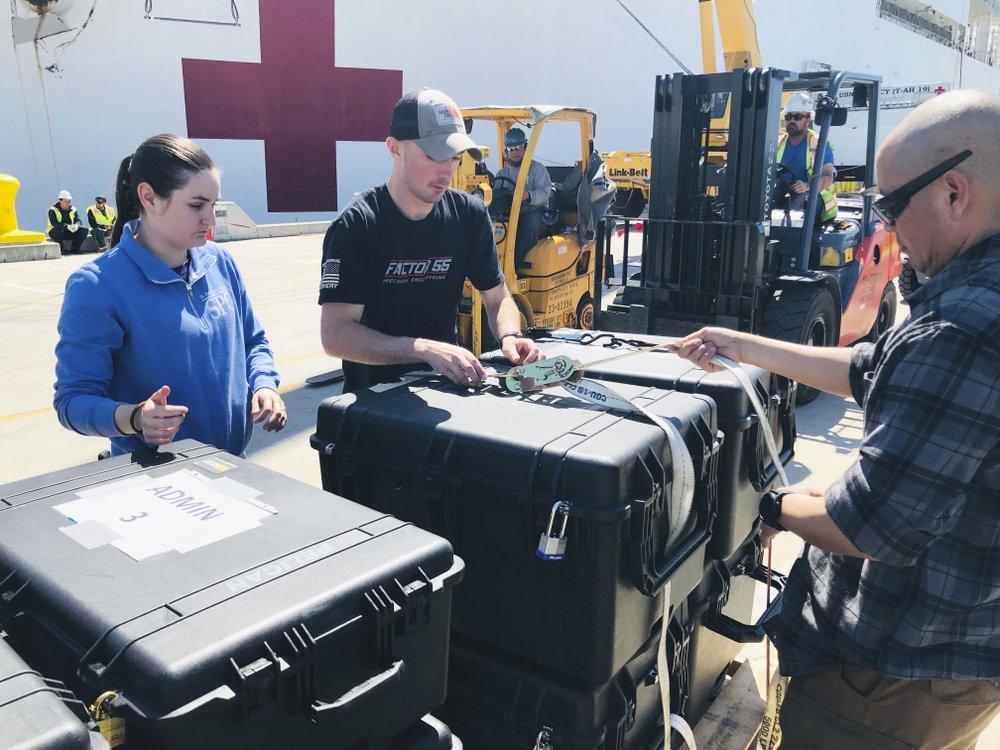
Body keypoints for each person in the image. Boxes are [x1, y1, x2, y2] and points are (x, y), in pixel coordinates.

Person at [671, 90, 1000, 749]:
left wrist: (765, 505)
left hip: (890, 682)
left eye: (891, 206)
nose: (888, 229)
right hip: (956, 662)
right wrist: (745, 346)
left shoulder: (961, 327)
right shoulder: (972, 302)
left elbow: (866, 524)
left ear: (954, 193)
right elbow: (873, 367)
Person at [54, 134, 286, 457]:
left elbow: (253, 341)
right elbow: (73, 401)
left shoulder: (220, 262)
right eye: (196, 205)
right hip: (160, 474)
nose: (209, 219)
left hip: (232, 463)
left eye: (213, 205)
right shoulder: (97, 286)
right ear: (149, 198)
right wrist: (135, 418)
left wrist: (263, 383)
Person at [319, 88, 542, 394]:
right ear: (395, 148)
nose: (446, 170)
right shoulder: (357, 225)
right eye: (433, 155)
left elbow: (497, 297)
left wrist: (511, 335)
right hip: (374, 403)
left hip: (444, 392)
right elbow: (336, 335)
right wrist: (422, 349)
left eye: (454, 156)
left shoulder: (469, 215)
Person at [775, 92, 838, 222]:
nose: (791, 121)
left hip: (811, 194)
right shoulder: (777, 143)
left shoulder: (819, 143)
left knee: (799, 203)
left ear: (808, 119)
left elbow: (828, 177)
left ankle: (790, 232)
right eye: (788, 117)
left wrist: (807, 185)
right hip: (784, 189)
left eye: (797, 117)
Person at [496, 127, 551, 265]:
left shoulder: (537, 169)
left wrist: (529, 195)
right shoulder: (502, 174)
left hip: (535, 212)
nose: (515, 152)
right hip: (509, 214)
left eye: (518, 148)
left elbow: (545, 193)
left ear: (525, 148)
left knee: (529, 224)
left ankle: (512, 267)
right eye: (511, 149)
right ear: (506, 151)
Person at [47, 190, 89, 254]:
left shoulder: (73, 209)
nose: (68, 203)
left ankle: (75, 249)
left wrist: (76, 225)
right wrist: (67, 226)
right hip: (56, 231)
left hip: (69, 231)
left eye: (69, 201)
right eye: (66, 201)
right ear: (60, 201)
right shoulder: (53, 210)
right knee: (57, 231)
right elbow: (54, 223)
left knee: (84, 230)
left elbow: (78, 220)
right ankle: (61, 250)